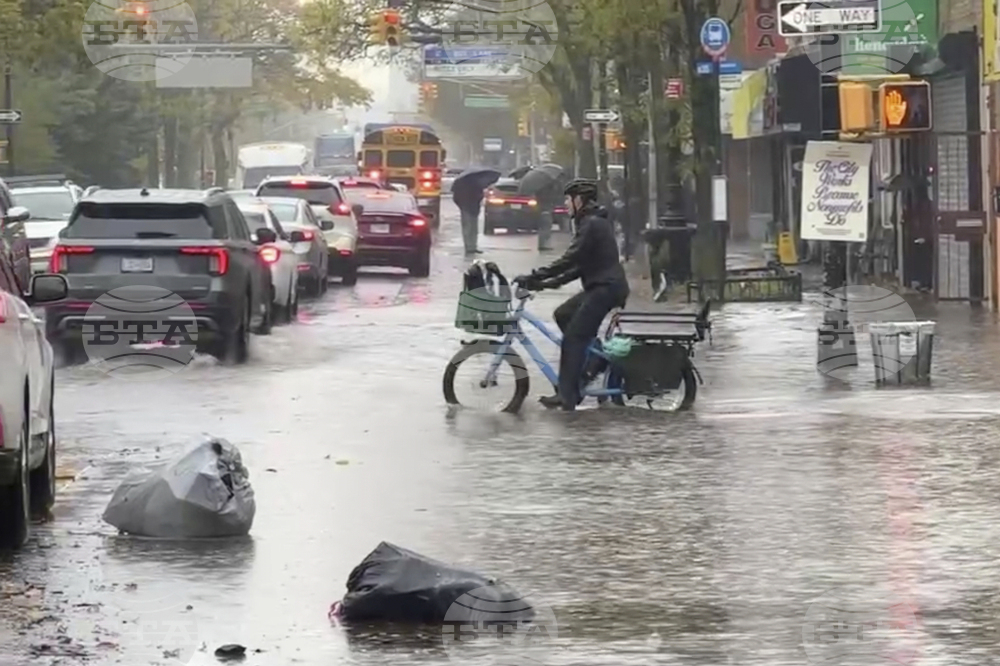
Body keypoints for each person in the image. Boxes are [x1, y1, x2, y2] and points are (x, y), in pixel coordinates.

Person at [514, 179, 629, 411]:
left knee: (573, 338)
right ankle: (594, 360)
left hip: (606, 289)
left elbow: (570, 259)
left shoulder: (592, 224)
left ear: (579, 200)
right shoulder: (589, 222)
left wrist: (536, 275)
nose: (566, 204)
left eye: (568, 199)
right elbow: (578, 267)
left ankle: (567, 395)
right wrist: (545, 283)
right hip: (600, 286)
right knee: (563, 314)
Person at [452, 180, 484, 255]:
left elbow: (455, 198)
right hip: (469, 208)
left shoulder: (460, 184)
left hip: (470, 209)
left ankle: (471, 246)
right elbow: (480, 196)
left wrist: (461, 206)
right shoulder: (477, 184)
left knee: (470, 228)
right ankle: (470, 246)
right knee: (471, 228)